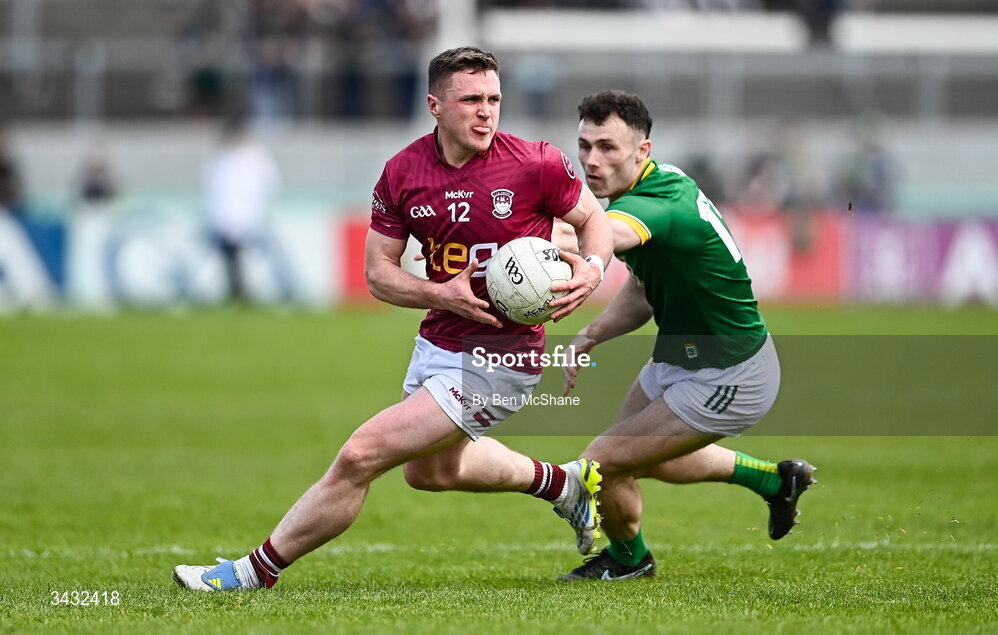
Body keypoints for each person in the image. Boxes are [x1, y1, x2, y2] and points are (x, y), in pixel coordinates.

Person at [173, 46, 613, 592]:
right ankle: (563, 484)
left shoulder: (535, 163)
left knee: (361, 454)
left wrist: (593, 269)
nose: (486, 112)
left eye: (494, 99)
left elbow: (593, 220)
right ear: (434, 104)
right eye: (471, 99)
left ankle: (249, 573)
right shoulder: (403, 172)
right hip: (437, 343)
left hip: (503, 357)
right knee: (430, 472)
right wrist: (439, 293)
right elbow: (378, 272)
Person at [556, 90, 815, 580]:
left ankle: (631, 562)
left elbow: (604, 238)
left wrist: (525, 235)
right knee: (633, 458)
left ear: (642, 152)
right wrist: (593, 331)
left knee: (599, 464)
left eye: (608, 147)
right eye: (585, 145)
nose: (592, 159)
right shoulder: (651, 187)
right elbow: (642, 289)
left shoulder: (656, 205)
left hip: (731, 374)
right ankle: (774, 481)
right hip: (680, 359)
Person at [202, 118, 281, 303]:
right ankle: (237, 292)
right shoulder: (220, 160)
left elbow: (268, 184)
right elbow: (216, 192)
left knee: (249, 258)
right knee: (231, 259)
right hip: (226, 220)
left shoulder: (255, 157)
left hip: (248, 218)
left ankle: (247, 293)